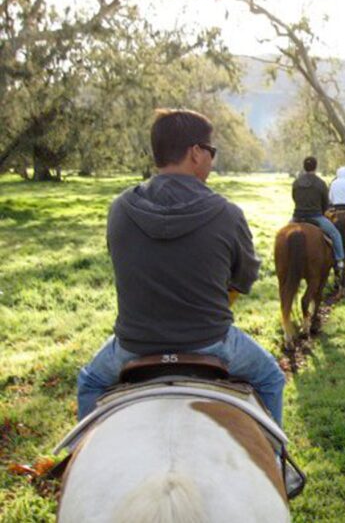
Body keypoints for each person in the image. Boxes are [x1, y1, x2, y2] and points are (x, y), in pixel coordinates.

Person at [76, 108, 286, 426]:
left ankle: (75, 457)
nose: (212, 160)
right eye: (211, 151)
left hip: (133, 346)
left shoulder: (119, 209)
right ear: (196, 153)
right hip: (212, 341)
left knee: (90, 382)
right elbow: (244, 278)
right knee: (271, 379)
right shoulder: (228, 213)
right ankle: (279, 467)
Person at [291, 156, 345, 278]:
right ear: (315, 167)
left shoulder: (296, 182)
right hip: (315, 217)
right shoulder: (321, 183)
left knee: (283, 234)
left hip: (297, 217)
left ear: (304, 167)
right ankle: (340, 259)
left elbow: (294, 198)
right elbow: (325, 204)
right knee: (335, 234)